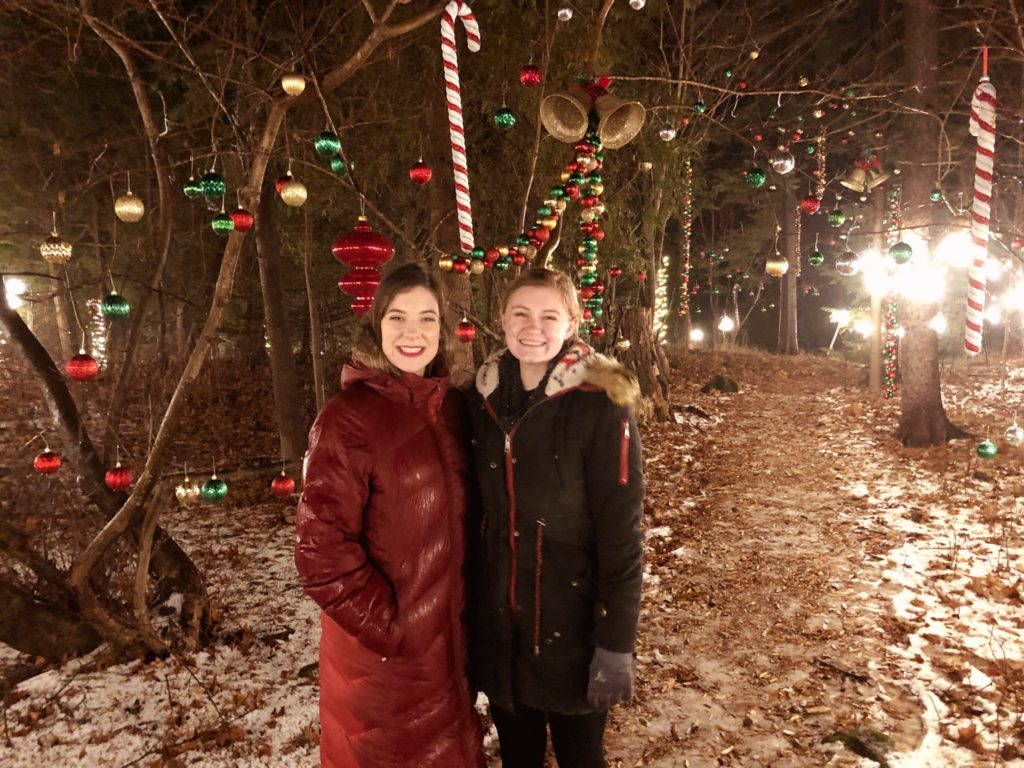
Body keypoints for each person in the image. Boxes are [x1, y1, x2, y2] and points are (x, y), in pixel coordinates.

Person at [295, 262, 485, 768]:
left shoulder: (449, 409)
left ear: (442, 330)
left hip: (450, 655)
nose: (412, 333)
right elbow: (322, 555)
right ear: (376, 324)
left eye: (426, 318)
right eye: (397, 317)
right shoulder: (347, 419)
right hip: (386, 668)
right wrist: (394, 630)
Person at [466, 267, 645, 768]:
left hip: (574, 632)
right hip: (504, 633)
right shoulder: (478, 401)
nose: (533, 327)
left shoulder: (599, 406)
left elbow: (622, 533)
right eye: (520, 313)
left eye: (549, 315)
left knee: (580, 758)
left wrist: (616, 643)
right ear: (501, 321)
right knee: (517, 758)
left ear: (571, 324)